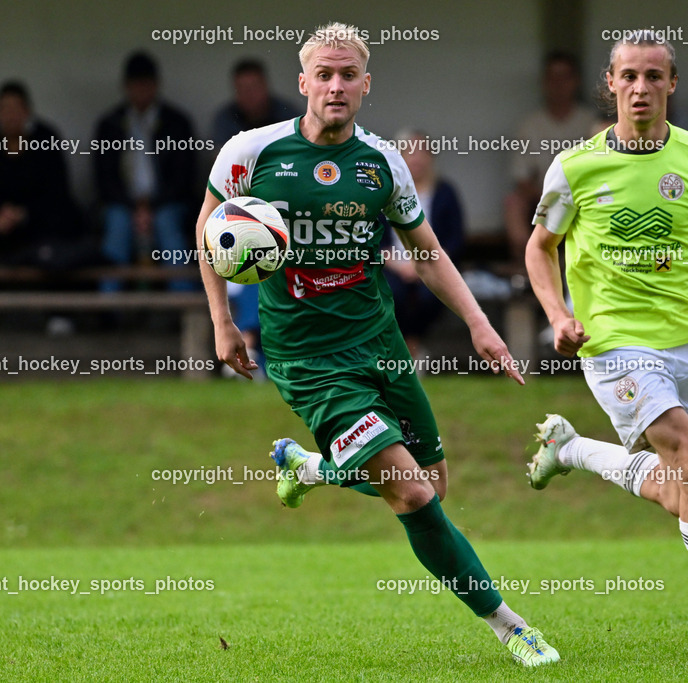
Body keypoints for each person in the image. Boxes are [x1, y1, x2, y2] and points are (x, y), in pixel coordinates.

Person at [197, 23, 559, 667]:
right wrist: (224, 323)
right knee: (413, 495)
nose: (336, 86)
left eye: (348, 75)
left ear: (366, 84)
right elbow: (209, 230)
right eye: (324, 75)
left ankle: (310, 469)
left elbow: (426, 251)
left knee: (434, 488)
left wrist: (479, 324)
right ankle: (510, 626)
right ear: (304, 81)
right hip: (307, 359)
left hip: (379, 346)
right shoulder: (250, 153)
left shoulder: (381, 163)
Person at [525, 30, 688, 644]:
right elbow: (539, 249)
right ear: (609, 84)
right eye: (628, 76)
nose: (640, 88)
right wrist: (559, 315)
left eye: (653, 77)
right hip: (611, 344)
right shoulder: (575, 167)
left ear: (672, 84)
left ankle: (573, 449)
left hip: (685, 342)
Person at [0, 81, 83, 337]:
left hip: (35, 219)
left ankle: (61, 313)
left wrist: (24, 214)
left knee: (66, 219)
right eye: (3, 109)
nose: (10, 115)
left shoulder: (46, 138)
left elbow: (57, 191)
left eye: (15, 109)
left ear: (27, 112)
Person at [211, 58, 299, 373]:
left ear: (266, 87)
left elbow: (292, 181)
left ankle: (253, 346)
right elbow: (224, 183)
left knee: (265, 254)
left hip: (285, 223)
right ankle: (249, 345)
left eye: (254, 87)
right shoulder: (224, 122)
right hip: (233, 220)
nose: (249, 95)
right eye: (242, 89)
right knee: (249, 253)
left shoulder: (289, 117)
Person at [94, 51, 197, 292]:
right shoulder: (109, 124)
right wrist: (135, 208)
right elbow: (104, 178)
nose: (141, 90)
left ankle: (183, 310)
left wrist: (151, 207)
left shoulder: (177, 122)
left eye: (146, 84)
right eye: (135, 84)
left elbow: (184, 177)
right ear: (126, 87)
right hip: (122, 204)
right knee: (117, 225)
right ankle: (108, 312)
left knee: (167, 225)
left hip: (167, 204)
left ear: (156, 85)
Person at [504, 51, 598, 266]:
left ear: (576, 81)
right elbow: (521, 180)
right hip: (541, 199)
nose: (559, 84)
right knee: (512, 203)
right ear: (544, 82)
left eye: (565, 77)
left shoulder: (590, 122)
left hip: (584, 198)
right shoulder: (530, 125)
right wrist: (552, 198)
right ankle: (528, 269)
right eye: (552, 77)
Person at [383, 129, 466, 360]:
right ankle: (409, 350)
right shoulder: (384, 191)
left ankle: (411, 346)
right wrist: (401, 266)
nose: (416, 158)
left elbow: (455, 238)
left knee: (431, 297)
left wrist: (425, 262)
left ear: (431, 157)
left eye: (421, 152)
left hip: (433, 263)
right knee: (392, 294)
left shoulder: (445, 192)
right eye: (409, 152)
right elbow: (374, 239)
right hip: (393, 266)